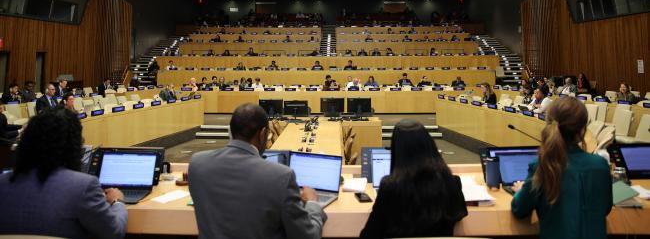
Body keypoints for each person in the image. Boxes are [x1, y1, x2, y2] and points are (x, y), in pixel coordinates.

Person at [189, 104, 326, 239]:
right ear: (262, 134)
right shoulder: (281, 176)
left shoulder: (197, 164)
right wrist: (313, 204)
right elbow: (308, 236)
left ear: (230, 132)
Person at [0, 109, 128, 238]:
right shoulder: (84, 186)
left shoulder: (2, 183)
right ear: (73, 145)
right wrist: (117, 202)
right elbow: (114, 233)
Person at [511, 97, 612, 239]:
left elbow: (519, 209)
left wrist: (520, 190)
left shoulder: (542, 165)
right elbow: (605, 208)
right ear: (583, 130)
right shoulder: (600, 165)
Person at [360, 119, 467, 238]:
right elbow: (460, 214)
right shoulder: (451, 182)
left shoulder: (390, 187)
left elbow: (370, 233)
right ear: (430, 145)